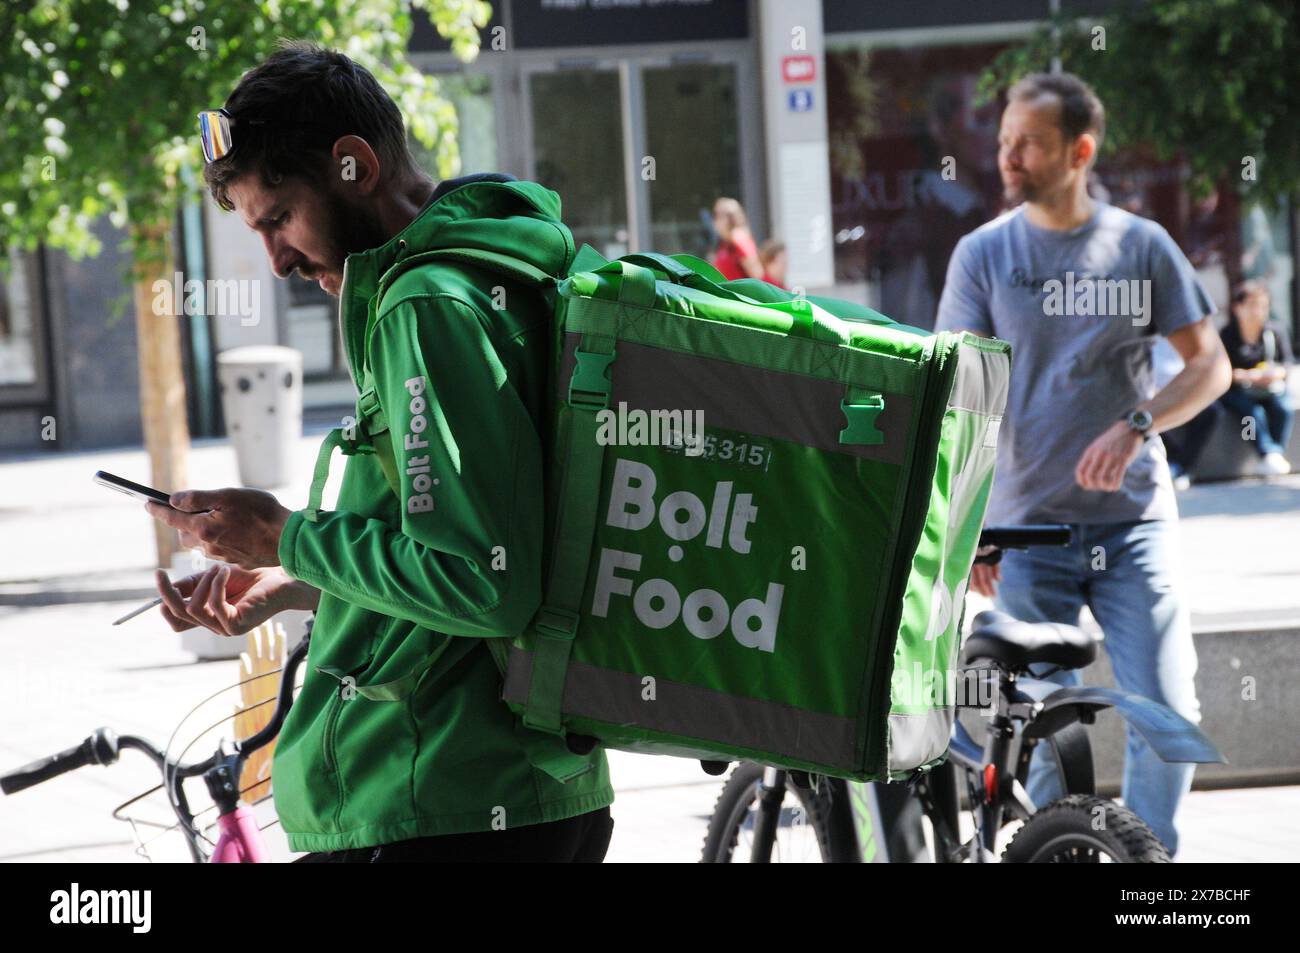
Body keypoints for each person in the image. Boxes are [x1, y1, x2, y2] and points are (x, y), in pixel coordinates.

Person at [145, 41, 614, 862]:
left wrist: (286, 533)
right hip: (509, 789)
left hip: (433, 801)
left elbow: (485, 580)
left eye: (280, 218)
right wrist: (298, 581)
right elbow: (463, 554)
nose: (278, 260)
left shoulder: (424, 305)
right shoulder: (497, 265)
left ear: (354, 164)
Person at [935, 72, 1231, 856]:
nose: (1007, 157)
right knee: (1038, 731)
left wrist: (1138, 423)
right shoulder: (983, 255)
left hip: (1134, 525)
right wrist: (970, 525)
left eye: (1026, 143)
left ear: (1080, 150)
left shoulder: (1141, 246)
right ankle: (1054, 852)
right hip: (1028, 530)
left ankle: (1140, 866)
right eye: (1002, 142)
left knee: (1170, 712)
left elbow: (1211, 366)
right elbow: (960, 402)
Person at [1218, 281, 1294, 476]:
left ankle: (1272, 453)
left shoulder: (1274, 331)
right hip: (1238, 391)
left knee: (1283, 408)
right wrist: (1245, 376)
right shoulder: (1226, 335)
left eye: (1263, 305)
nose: (1258, 311)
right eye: (1252, 305)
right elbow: (1220, 371)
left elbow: (1286, 363)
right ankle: (1267, 453)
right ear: (1237, 307)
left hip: (1269, 388)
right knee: (1252, 413)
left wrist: (1273, 374)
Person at [710, 197, 763, 280]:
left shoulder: (739, 239)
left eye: (717, 216)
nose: (714, 221)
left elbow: (757, 275)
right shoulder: (725, 243)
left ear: (729, 218)